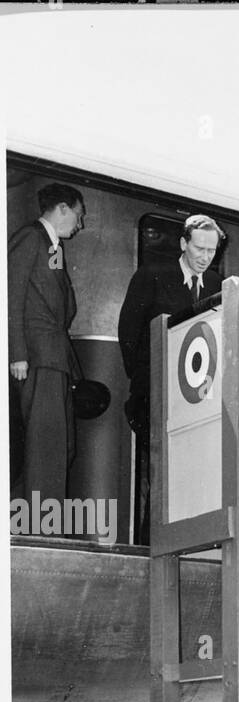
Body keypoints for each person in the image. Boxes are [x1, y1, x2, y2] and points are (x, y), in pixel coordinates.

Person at [117, 213, 225, 542]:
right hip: (157, 396)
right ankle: (154, 546)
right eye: (200, 248)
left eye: (212, 250)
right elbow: (128, 332)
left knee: (193, 477)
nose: (206, 257)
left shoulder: (219, 284)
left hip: (199, 402)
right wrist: (147, 381)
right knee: (160, 478)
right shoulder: (152, 275)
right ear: (183, 243)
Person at [7, 182, 87, 508]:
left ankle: (21, 519)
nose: (80, 225)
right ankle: (41, 530)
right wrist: (17, 354)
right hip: (39, 357)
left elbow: (58, 299)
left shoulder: (52, 248)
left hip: (54, 357)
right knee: (48, 448)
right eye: (78, 216)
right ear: (63, 209)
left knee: (59, 446)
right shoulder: (31, 238)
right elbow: (10, 295)